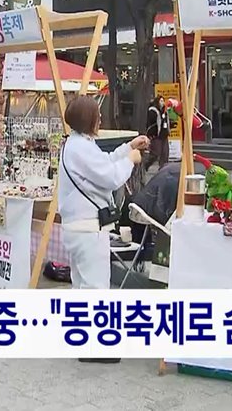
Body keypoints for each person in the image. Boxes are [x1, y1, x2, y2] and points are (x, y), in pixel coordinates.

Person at [59, 96, 148, 363]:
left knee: (82, 285)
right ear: (89, 120)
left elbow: (104, 162)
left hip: (78, 227)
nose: (101, 119)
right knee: (95, 287)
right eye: (97, 115)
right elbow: (110, 177)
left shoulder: (77, 144)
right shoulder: (80, 148)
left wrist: (127, 147)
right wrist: (130, 159)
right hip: (88, 229)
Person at [143, 96, 170, 171]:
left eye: (163, 101)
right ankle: (146, 165)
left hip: (164, 135)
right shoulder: (153, 110)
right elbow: (151, 122)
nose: (162, 103)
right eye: (161, 101)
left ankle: (163, 169)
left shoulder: (165, 111)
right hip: (156, 135)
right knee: (155, 153)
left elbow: (166, 121)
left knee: (165, 153)